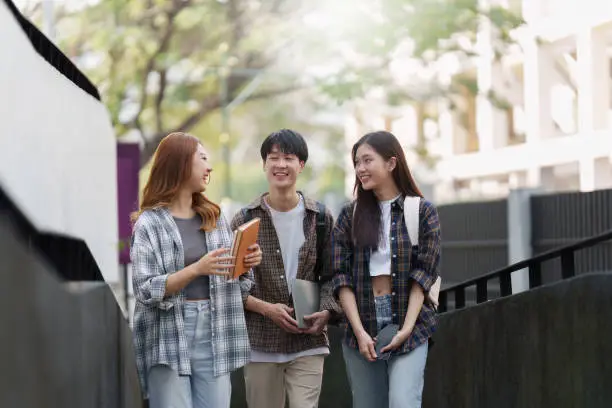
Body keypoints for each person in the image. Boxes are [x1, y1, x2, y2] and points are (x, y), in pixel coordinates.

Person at [130, 132, 262, 408]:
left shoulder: (214, 218)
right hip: (168, 332)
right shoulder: (149, 224)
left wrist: (245, 264)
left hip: (215, 328)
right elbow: (144, 288)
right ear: (179, 163)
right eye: (202, 158)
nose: (209, 167)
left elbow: (237, 284)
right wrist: (196, 269)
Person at [231, 129, 342, 408]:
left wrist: (327, 310)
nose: (281, 164)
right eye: (274, 158)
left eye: (288, 158)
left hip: (308, 341)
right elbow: (229, 284)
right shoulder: (244, 219)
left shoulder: (320, 217)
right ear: (264, 165)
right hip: (260, 343)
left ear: (300, 165)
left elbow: (335, 275)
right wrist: (268, 309)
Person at [331, 130, 441, 408]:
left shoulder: (422, 211)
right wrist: (358, 331)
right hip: (361, 323)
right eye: (357, 162)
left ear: (391, 163)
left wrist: (407, 328)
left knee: (404, 402)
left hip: (410, 323)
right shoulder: (349, 215)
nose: (360, 169)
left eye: (367, 160)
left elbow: (424, 275)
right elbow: (340, 278)